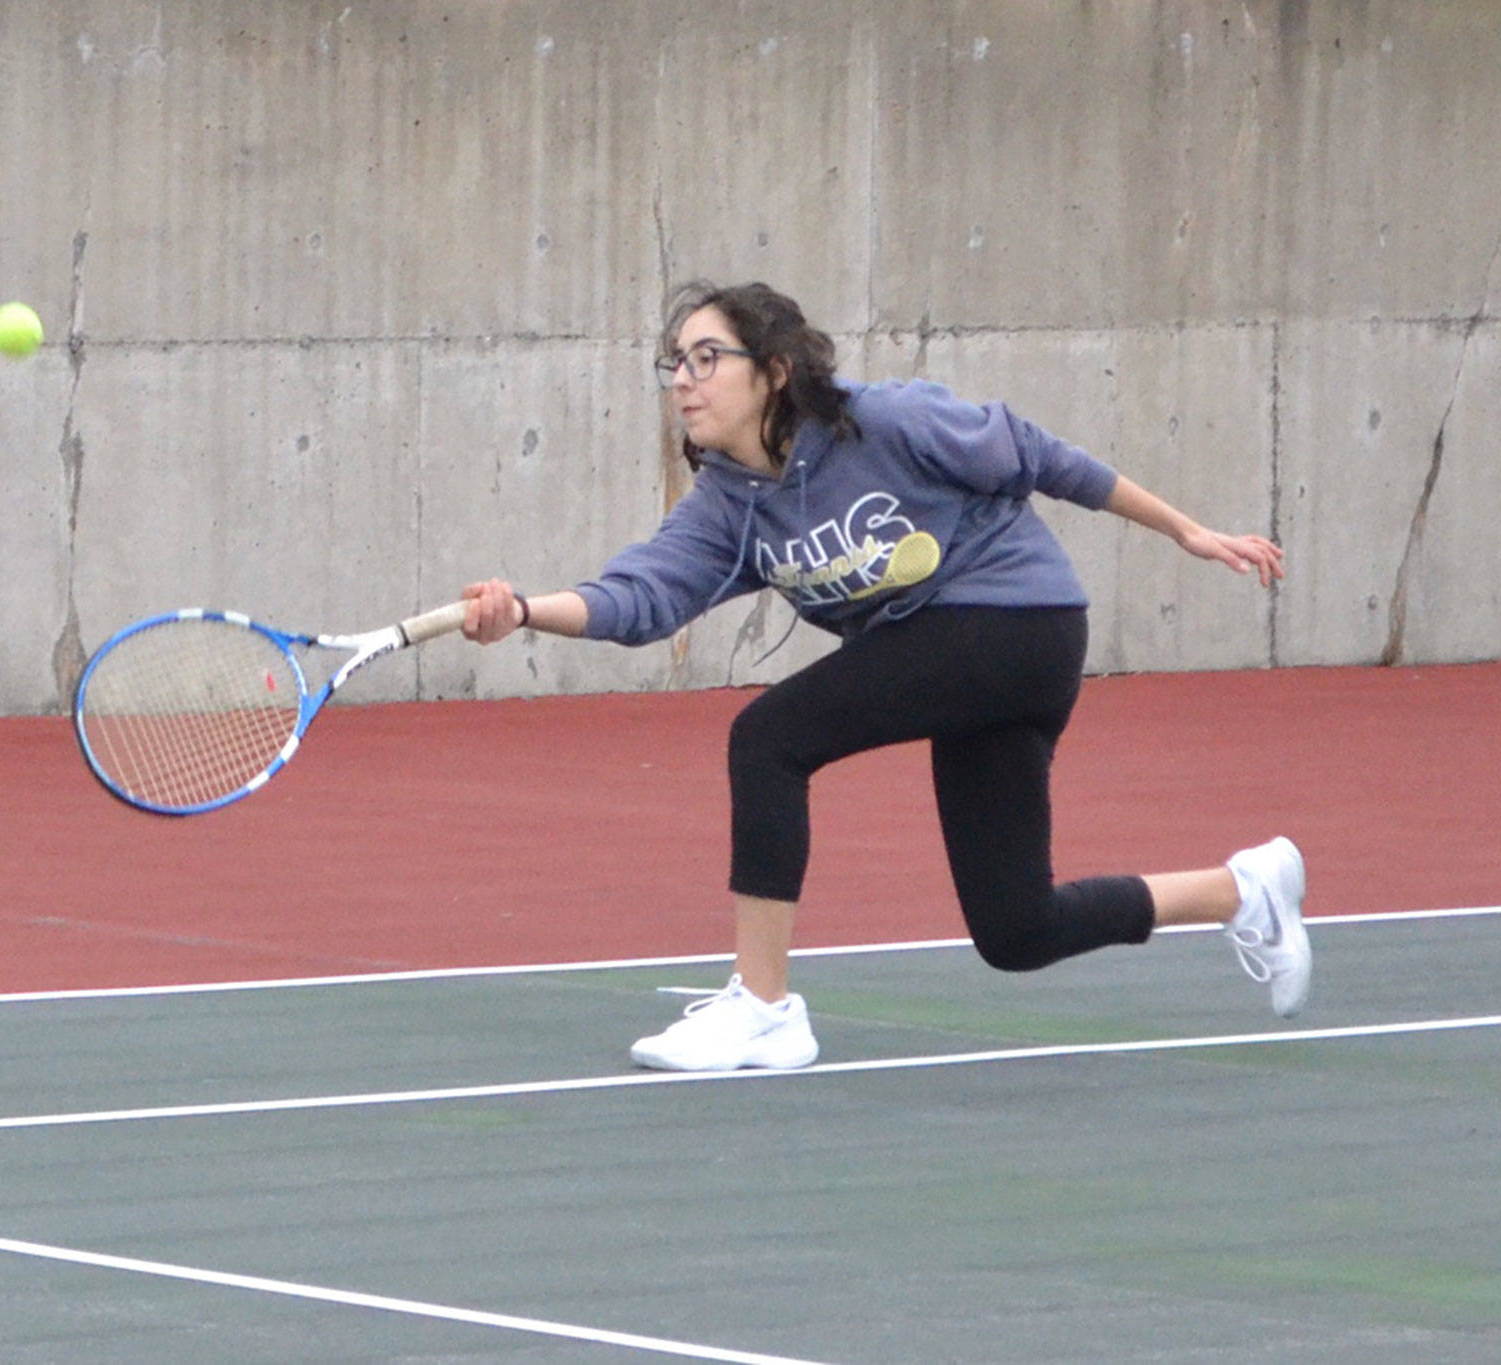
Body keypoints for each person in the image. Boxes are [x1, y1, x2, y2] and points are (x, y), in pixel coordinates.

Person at [458, 280, 1310, 1072]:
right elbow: (637, 599)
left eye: (708, 357)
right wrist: (526, 610)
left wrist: (1185, 531)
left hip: (1019, 622)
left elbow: (1039, 456)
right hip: (967, 662)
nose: (684, 378)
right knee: (1016, 928)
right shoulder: (727, 507)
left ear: (775, 371)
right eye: (674, 362)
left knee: (769, 737)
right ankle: (1244, 890)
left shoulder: (886, 422)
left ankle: (763, 1006)